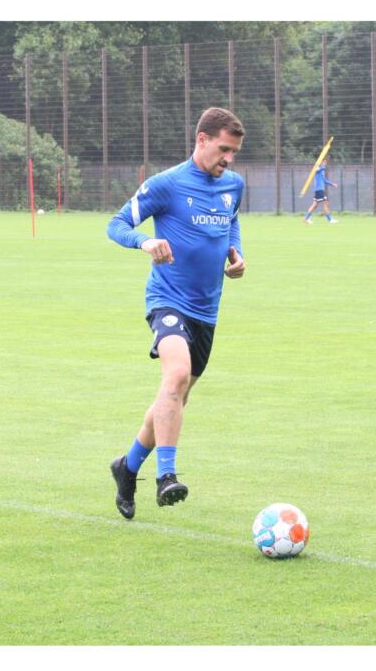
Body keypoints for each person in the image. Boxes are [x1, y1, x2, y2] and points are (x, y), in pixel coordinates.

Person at [105, 107, 246, 519]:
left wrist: (237, 254)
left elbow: (231, 225)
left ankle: (127, 467)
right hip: (167, 300)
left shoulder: (232, 185)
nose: (229, 159)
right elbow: (116, 224)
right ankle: (167, 476)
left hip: (208, 309)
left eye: (234, 152)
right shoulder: (166, 184)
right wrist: (145, 243)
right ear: (201, 140)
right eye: (223, 149)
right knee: (176, 375)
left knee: (174, 395)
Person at [302, 155, 339, 225]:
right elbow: (318, 169)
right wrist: (323, 166)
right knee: (325, 203)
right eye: (324, 161)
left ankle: (306, 218)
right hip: (319, 190)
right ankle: (330, 219)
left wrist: (332, 184)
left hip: (320, 190)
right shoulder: (317, 168)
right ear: (321, 161)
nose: (325, 163)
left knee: (315, 205)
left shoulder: (322, 170)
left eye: (326, 162)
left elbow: (324, 180)